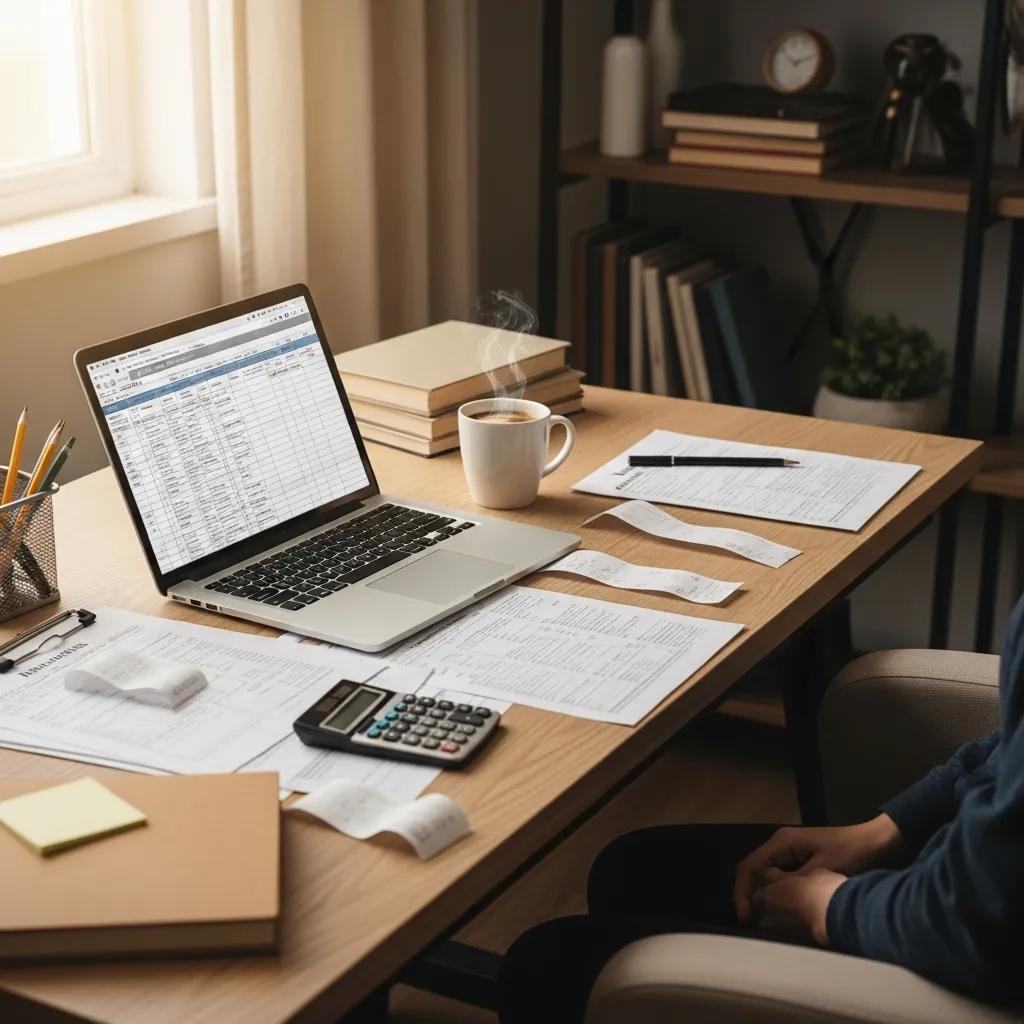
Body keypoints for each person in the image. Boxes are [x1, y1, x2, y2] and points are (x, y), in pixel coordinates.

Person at [498, 594, 1024, 1023]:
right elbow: (1008, 745)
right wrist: (886, 830)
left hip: (966, 961)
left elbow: (974, 923)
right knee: (635, 870)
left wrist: (832, 909)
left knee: (547, 966)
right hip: (970, 881)